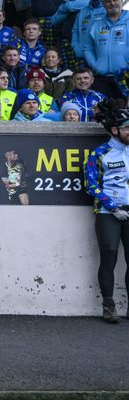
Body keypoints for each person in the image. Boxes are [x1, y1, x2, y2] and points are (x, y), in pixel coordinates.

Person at [85, 105, 129, 323]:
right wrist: (113, 208)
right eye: (127, 128)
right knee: (109, 258)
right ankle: (109, 306)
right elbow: (91, 185)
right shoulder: (99, 153)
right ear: (114, 130)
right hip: (107, 213)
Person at [85, 0, 128, 98]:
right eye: (108, 1)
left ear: (121, 0)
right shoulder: (97, 24)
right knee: (103, 111)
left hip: (125, 77)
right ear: (103, 4)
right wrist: (95, 65)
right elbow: (88, 48)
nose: (112, 3)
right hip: (102, 77)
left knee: (123, 112)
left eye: (115, 0)